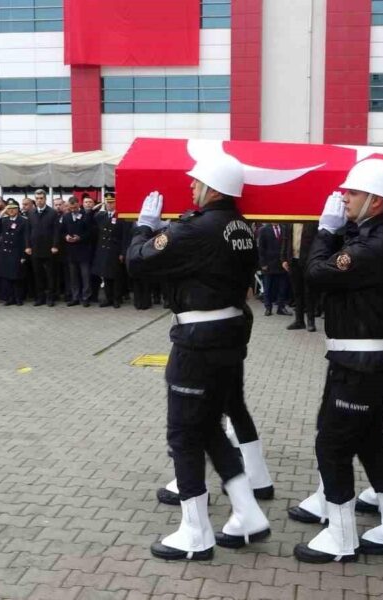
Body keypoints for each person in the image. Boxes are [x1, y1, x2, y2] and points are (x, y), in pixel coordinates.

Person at [127, 154, 270, 561]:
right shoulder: (240, 226)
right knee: (208, 429)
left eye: (196, 183)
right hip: (228, 336)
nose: (191, 188)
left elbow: (138, 262)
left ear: (213, 188)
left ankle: (195, 531)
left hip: (198, 341)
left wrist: (144, 227)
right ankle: (247, 512)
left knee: (183, 435)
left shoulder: (197, 228)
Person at [293, 159, 383, 564]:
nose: (344, 197)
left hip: (361, 362)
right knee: (368, 440)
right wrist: (339, 228)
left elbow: (316, 273)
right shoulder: (377, 236)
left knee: (332, 443)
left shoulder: (371, 247)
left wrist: (324, 231)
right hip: (361, 356)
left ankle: (341, 536)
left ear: (375, 201)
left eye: (353, 193)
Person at [281, 222, 319, 331]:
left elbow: (317, 243)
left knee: (308, 292)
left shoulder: (311, 223)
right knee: (297, 293)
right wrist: (283, 258)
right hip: (293, 262)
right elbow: (285, 240)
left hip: (307, 262)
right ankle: (299, 321)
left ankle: (311, 322)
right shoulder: (289, 223)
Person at [26, 189, 59, 307]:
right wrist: (27, 246)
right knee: (37, 274)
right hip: (35, 249)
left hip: (49, 248)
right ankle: (40, 298)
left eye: (41, 198)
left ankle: (50, 298)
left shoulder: (53, 213)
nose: (39, 201)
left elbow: (56, 231)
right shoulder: (31, 213)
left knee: (50, 274)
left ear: (45, 199)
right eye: (37, 198)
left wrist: (55, 245)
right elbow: (28, 231)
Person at [0, 199, 28, 306]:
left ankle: (18, 298)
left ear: (17, 209)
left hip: (16, 251)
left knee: (17, 277)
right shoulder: (4, 220)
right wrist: (1, 214)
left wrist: (23, 255)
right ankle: (9, 298)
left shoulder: (23, 220)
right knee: (6, 277)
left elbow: (25, 238)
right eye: (9, 209)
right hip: (5, 252)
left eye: (13, 209)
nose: (11, 211)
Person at [60, 197, 94, 307]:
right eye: (71, 208)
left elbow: (91, 232)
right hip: (71, 251)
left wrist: (80, 238)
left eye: (74, 207)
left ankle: (86, 297)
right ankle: (75, 297)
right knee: (73, 276)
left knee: (85, 276)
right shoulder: (66, 217)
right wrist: (66, 237)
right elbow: (62, 231)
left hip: (83, 250)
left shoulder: (86, 215)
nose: (73, 210)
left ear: (78, 205)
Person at [92, 194, 124, 308]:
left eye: (111, 202)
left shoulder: (121, 216)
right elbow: (89, 216)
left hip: (114, 250)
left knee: (115, 276)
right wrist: (96, 207)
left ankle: (116, 298)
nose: (109, 205)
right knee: (105, 276)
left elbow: (124, 236)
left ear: (116, 203)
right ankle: (108, 298)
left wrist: (122, 252)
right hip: (103, 250)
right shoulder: (102, 215)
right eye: (107, 202)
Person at [257, 223, 291, 316]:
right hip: (268, 264)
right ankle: (268, 308)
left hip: (282, 264)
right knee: (268, 287)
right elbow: (261, 248)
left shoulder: (284, 228)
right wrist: (263, 263)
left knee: (282, 287)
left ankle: (281, 307)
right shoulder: (263, 229)